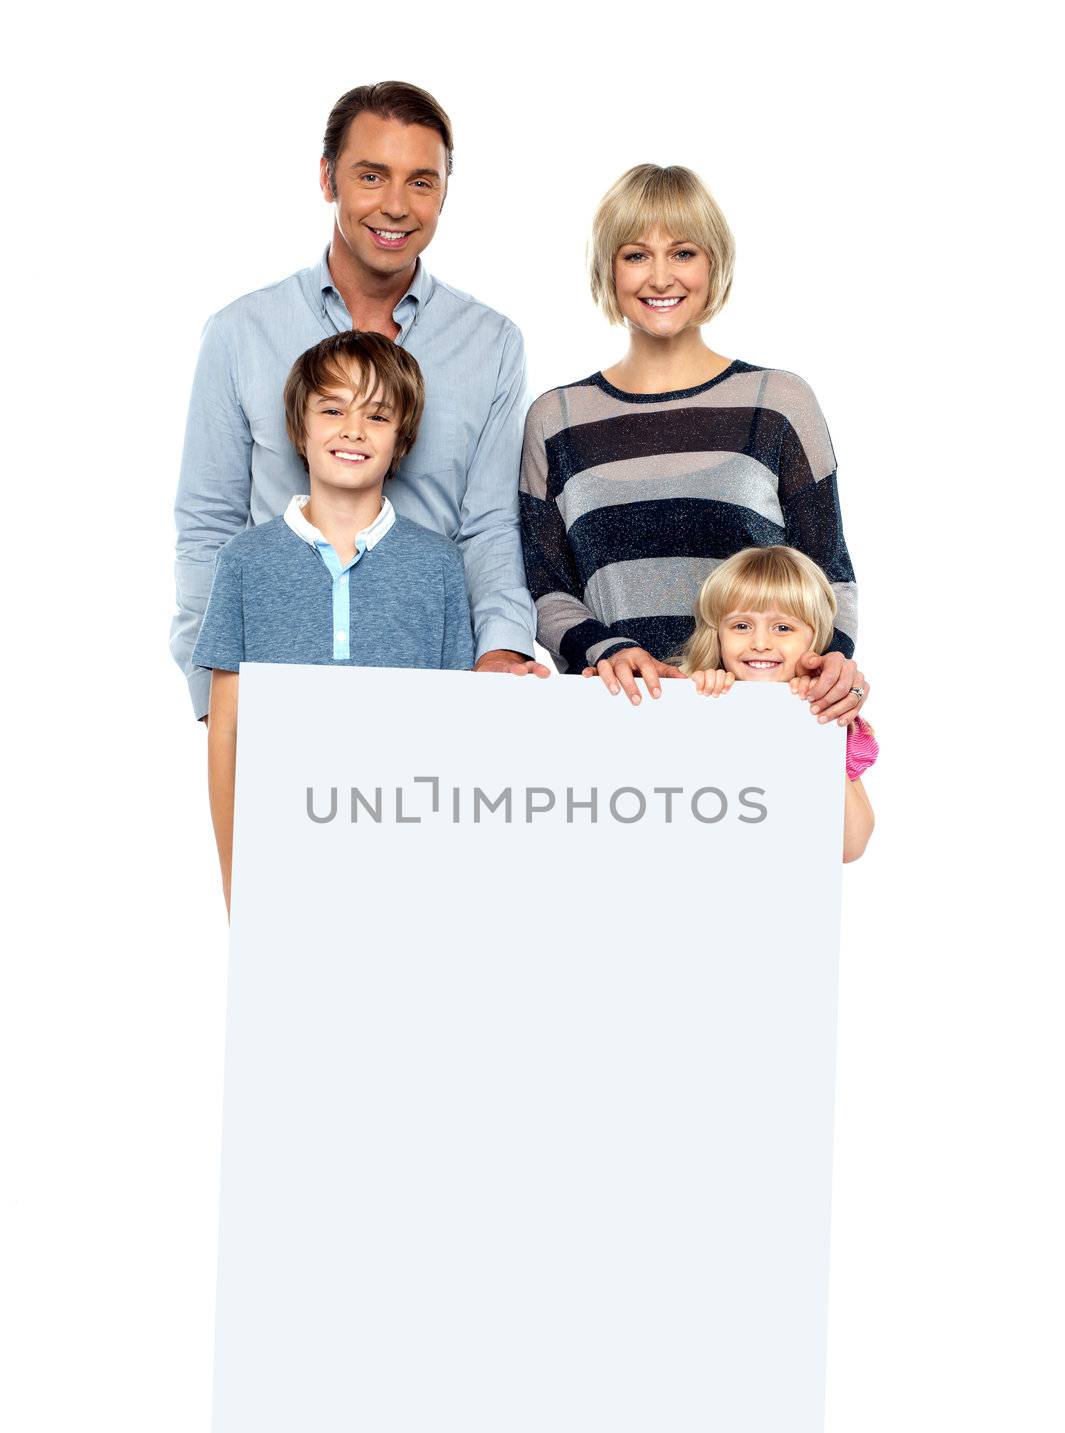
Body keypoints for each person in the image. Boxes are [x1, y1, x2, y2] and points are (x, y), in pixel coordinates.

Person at [172, 80, 546, 723]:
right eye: (371, 175)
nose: (396, 206)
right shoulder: (241, 333)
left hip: (434, 692)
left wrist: (500, 652)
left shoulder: (491, 344)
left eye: (421, 181)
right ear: (328, 178)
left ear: (445, 190)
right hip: (278, 690)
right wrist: (216, 697)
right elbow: (209, 523)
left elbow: (488, 526)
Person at [519, 162, 869, 724]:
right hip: (615, 716)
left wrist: (832, 665)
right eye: (636, 255)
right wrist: (607, 650)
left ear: (715, 264)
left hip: (758, 718)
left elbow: (830, 570)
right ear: (608, 270)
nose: (661, 278)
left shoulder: (777, 402)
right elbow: (545, 586)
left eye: (683, 253)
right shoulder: (555, 419)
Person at [192, 329, 473, 913]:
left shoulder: (439, 564)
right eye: (332, 409)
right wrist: (233, 880)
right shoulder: (244, 562)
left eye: (377, 415)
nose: (352, 430)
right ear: (300, 428)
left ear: (402, 441)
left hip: (409, 867)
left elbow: (457, 731)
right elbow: (226, 732)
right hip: (283, 862)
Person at [678, 545, 876, 862]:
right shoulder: (694, 693)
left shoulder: (830, 715)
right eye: (741, 626)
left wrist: (813, 726)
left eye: (783, 627)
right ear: (718, 635)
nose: (760, 643)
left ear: (814, 638)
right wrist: (691, 701)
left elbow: (849, 846)